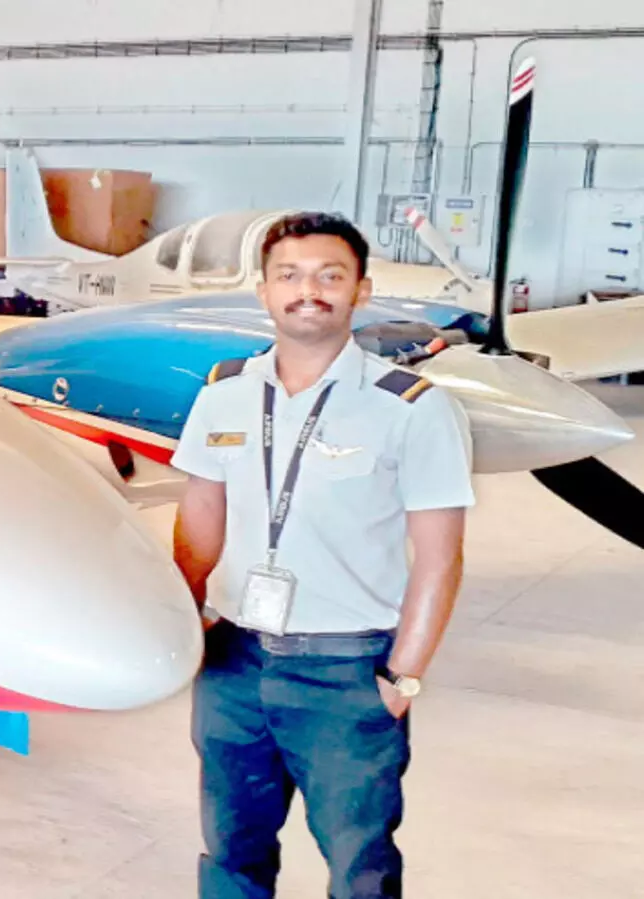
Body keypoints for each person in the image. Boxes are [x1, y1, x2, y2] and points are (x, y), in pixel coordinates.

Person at [169, 211, 475, 899]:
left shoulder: (412, 408)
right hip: (233, 661)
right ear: (264, 291)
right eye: (290, 275)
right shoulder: (224, 394)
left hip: (346, 669)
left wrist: (403, 676)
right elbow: (200, 520)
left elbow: (440, 556)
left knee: (359, 866)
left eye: (329, 276)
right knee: (230, 852)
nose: (308, 290)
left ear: (361, 290)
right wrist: (183, 622)